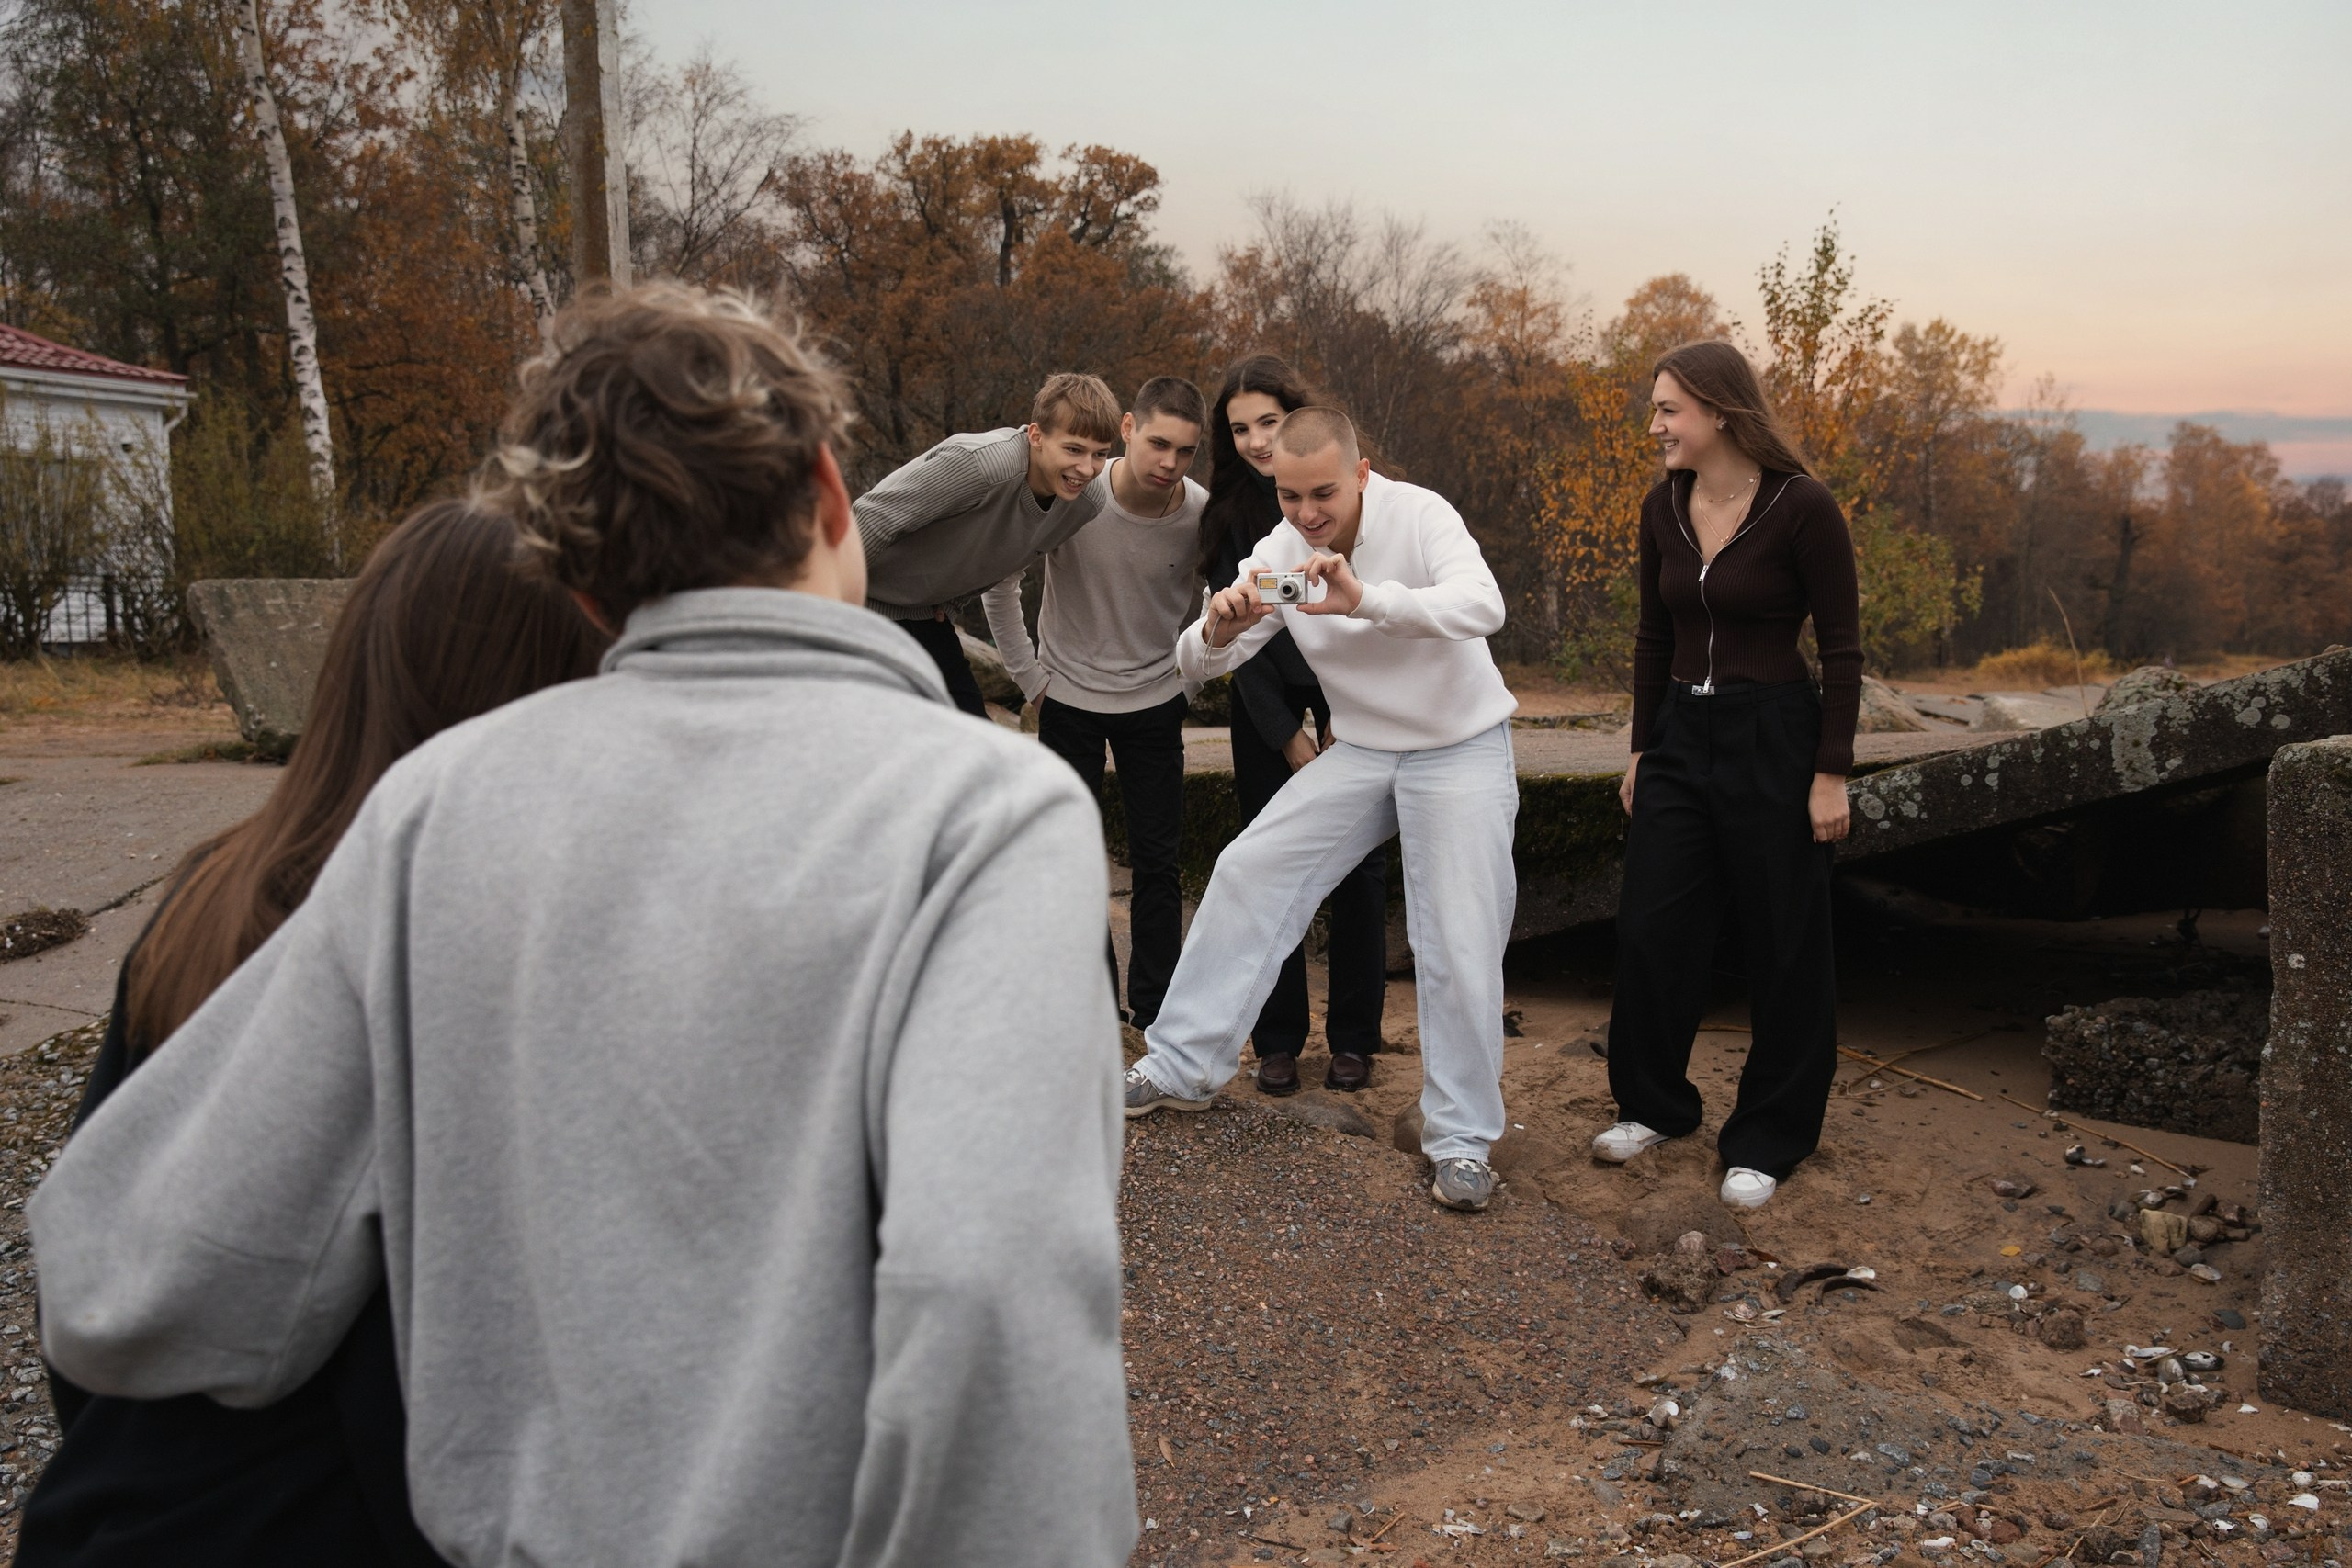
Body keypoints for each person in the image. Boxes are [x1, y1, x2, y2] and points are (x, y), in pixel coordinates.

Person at [30, 284, 1138, 1567]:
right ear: (835, 494)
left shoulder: (438, 803)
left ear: (586, 586)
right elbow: (989, 1299)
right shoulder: (988, 813)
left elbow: (143, 1271)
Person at [20, 498, 606, 1568]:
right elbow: (424, 1389)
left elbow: (101, 1239)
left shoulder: (215, 889)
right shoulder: (464, 944)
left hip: (118, 1504)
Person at [1121, 407, 1521, 1214]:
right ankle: (1181, 1063)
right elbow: (1193, 663)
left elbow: (1484, 606)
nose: (1307, 513)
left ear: (1362, 474)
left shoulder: (1422, 514)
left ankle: (1463, 1139)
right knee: (1249, 866)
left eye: (1324, 494)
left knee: (1459, 931)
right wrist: (1217, 627)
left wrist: (1366, 599)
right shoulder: (1280, 551)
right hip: (1366, 750)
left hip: (1460, 742)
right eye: (1290, 495)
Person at [1591, 339, 1860, 1211]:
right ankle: (1655, 1105)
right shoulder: (1661, 507)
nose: (1656, 423)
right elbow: (1651, 637)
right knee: (1652, 926)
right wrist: (1640, 749)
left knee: (1784, 938)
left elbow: (1844, 650)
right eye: (1657, 407)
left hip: (1773, 733)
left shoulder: (1802, 507)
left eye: (1669, 408)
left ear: (1720, 411)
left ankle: (1769, 1136)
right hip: (1679, 733)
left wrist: (1830, 771)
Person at [982, 375, 1207, 1027]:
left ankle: (1156, 1016)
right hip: (1066, 701)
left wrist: (1189, 678)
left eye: (1186, 451)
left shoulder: (1199, 512)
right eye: (1159, 442)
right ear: (1129, 430)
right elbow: (1000, 587)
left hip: (1155, 703)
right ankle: (1093, 1014)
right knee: (1070, 862)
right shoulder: (1076, 494)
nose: (1170, 462)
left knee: (1158, 867)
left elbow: (1231, 596)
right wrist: (1030, 681)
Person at [1195, 355, 1389, 1094]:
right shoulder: (1225, 517)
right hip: (1265, 702)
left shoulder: (1338, 497)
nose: (1254, 440)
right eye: (1239, 428)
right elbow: (1238, 639)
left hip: (1354, 695)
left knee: (1361, 868)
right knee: (1269, 862)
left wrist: (1343, 720)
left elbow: (1370, 608)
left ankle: (1355, 1041)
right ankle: (1276, 1040)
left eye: (1267, 422)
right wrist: (1289, 735)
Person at [853, 372, 1122, 716]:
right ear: (1037, 436)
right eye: (1073, 449)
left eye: (1100, 454)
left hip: (928, 620)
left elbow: (1005, 577)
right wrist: (815, 618)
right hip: (863, 607)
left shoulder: (1086, 502)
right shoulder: (982, 465)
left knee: (972, 745)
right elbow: (868, 520)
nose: (1086, 468)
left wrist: (1033, 683)